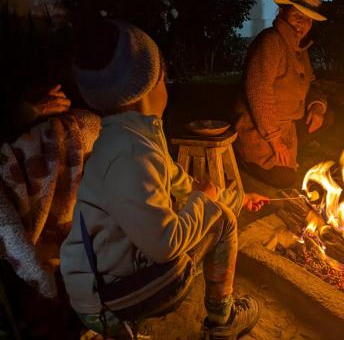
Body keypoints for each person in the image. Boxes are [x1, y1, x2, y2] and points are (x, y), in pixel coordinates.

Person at [60, 20, 268, 339]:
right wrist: (205, 201)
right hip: (106, 296)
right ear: (148, 88)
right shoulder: (131, 154)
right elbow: (165, 246)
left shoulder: (135, 135)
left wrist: (239, 198)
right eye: (164, 78)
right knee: (222, 221)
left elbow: (181, 183)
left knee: (218, 210)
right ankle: (221, 323)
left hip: (112, 277)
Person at [234, 0, 329, 188]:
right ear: (281, 12)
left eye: (308, 20)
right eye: (297, 16)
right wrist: (276, 141)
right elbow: (259, 94)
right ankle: (243, 157)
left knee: (333, 117)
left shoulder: (298, 48)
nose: (302, 25)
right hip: (259, 129)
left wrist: (316, 107)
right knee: (283, 178)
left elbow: (312, 82)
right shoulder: (270, 42)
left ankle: (289, 150)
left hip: (289, 124)